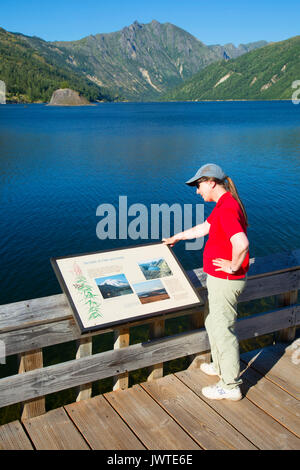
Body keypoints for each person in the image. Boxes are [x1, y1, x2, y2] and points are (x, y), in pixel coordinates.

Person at [163, 163, 249, 401]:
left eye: (199, 185)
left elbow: (241, 244)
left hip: (225, 279)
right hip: (221, 278)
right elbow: (205, 228)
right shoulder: (225, 204)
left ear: (211, 182)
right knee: (213, 322)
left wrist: (233, 265)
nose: (197, 191)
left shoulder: (227, 208)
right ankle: (220, 366)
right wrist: (178, 237)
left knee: (223, 331)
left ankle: (230, 385)